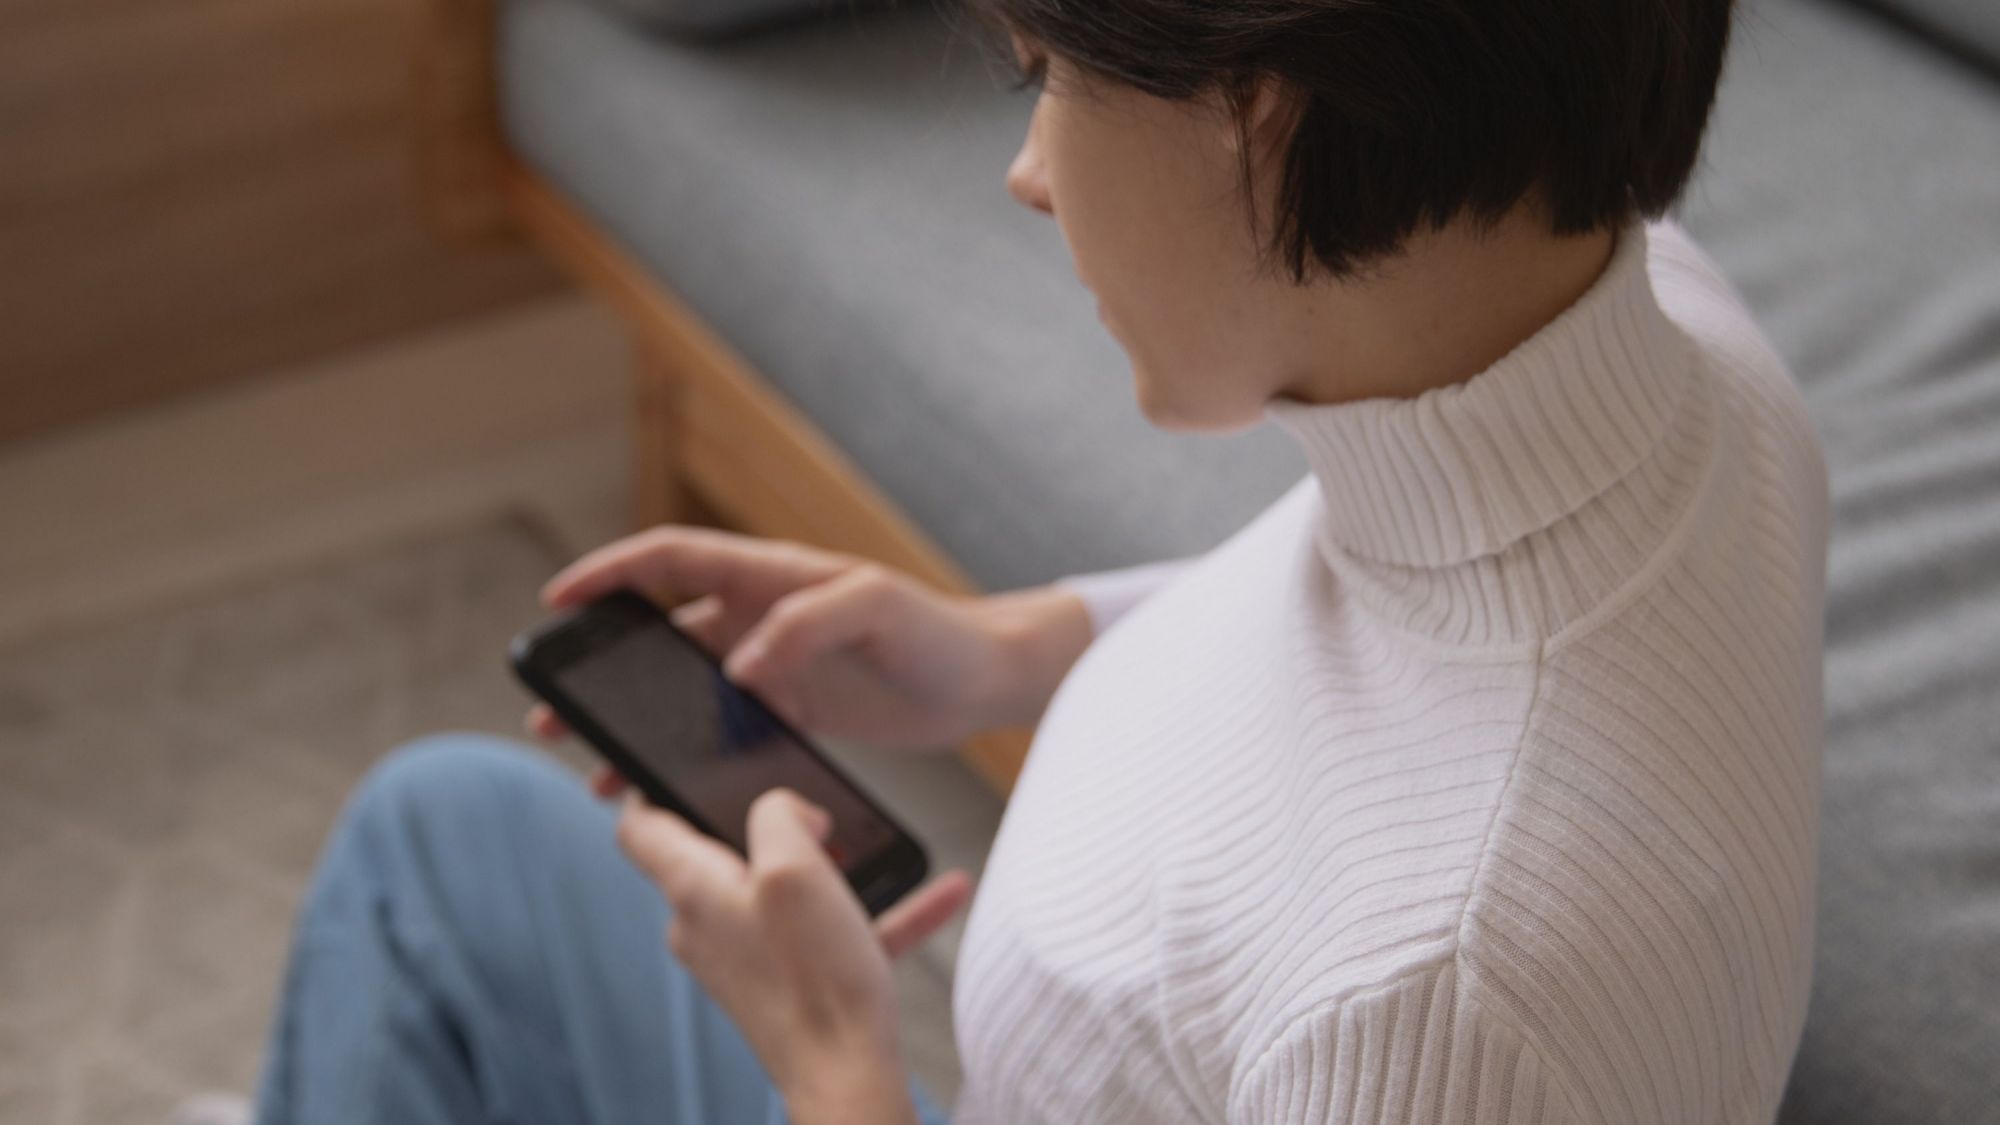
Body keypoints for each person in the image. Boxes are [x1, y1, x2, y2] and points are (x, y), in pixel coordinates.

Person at [234, 0, 1829, 1121]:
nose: (1031, 172)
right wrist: (1005, 648)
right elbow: (1399, 627)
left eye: (1043, 72)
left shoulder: (1447, 1005)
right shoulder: (1656, 337)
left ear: (1257, 113)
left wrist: (835, 1071)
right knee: (442, 840)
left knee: (419, 897)